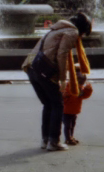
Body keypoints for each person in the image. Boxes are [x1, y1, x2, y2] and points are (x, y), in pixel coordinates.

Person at [23, 11, 93, 152]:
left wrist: (30, 68)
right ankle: (54, 141)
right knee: (57, 104)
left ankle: (46, 140)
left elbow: (37, 49)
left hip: (32, 69)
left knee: (48, 104)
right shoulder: (72, 32)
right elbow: (62, 55)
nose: (81, 37)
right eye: (84, 34)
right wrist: (62, 79)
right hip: (45, 71)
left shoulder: (56, 29)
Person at [62, 67, 93, 146]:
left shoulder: (79, 88)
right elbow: (78, 95)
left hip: (74, 110)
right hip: (66, 111)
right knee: (68, 126)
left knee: (72, 125)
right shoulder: (69, 87)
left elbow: (84, 96)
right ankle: (68, 139)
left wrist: (88, 90)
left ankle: (71, 137)